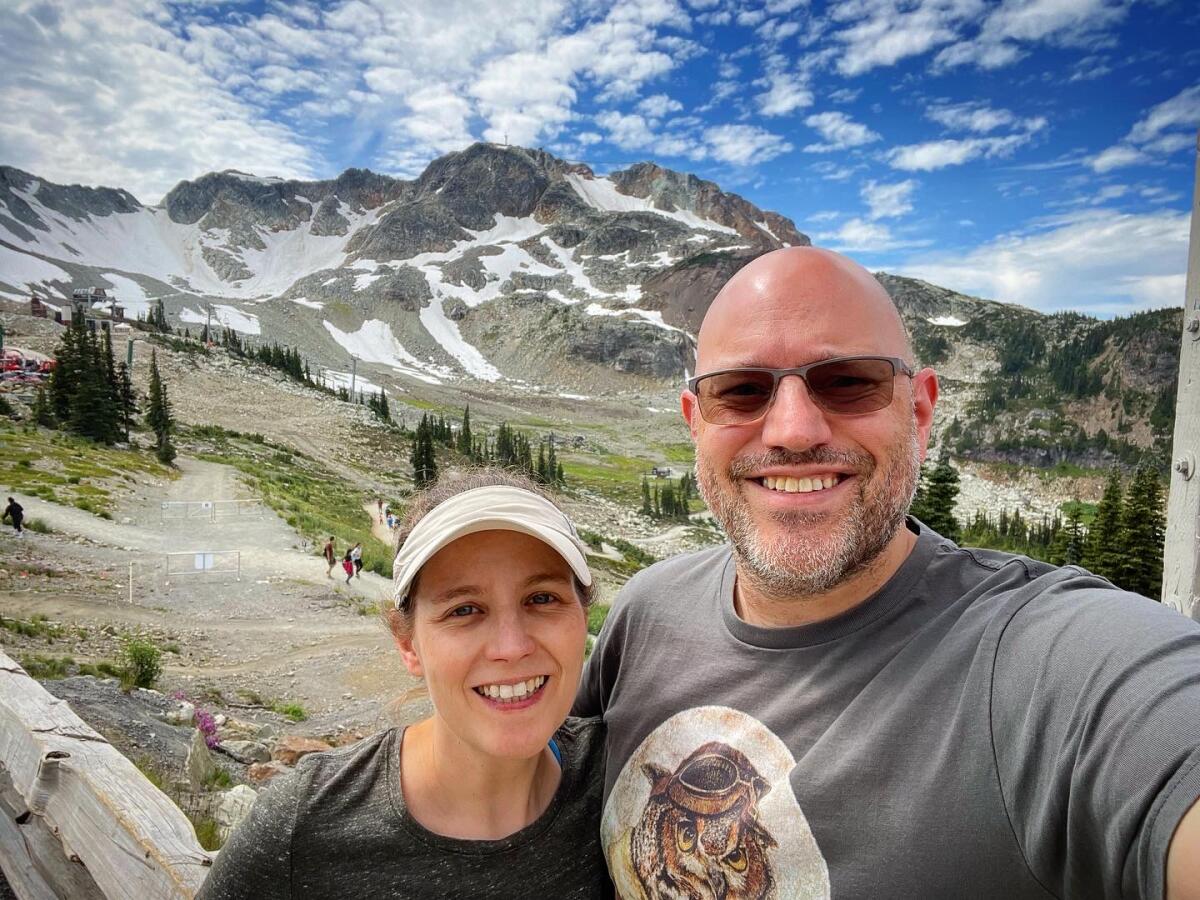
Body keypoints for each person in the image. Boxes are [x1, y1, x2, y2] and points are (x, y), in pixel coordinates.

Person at [576, 247, 1200, 900]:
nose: (792, 430)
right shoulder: (645, 613)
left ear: (921, 412)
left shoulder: (1045, 663)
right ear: (695, 422)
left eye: (848, 382)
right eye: (741, 391)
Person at [199, 469, 608, 898]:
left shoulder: (623, 777)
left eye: (542, 598)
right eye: (465, 610)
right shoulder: (305, 824)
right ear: (408, 644)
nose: (511, 646)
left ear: (583, 619)